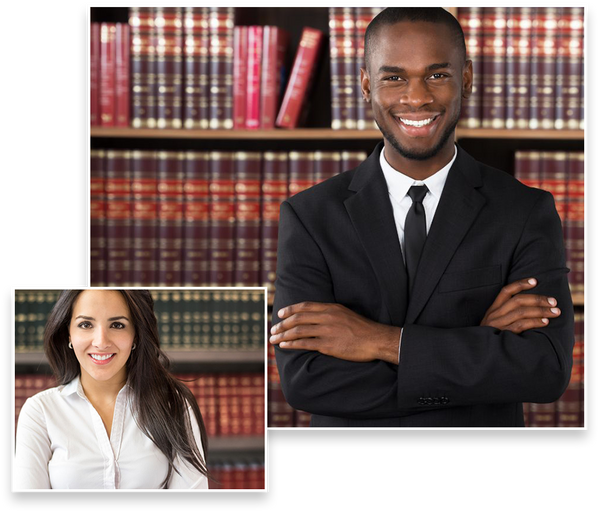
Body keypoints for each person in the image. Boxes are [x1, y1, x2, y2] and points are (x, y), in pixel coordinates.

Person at [269, 7, 574, 427]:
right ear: (365, 84)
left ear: (465, 79)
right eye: (394, 77)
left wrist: (378, 341)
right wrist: (479, 346)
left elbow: (543, 370)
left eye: (437, 75)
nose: (417, 98)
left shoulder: (524, 211)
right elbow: (308, 382)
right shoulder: (309, 216)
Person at [14, 289, 209, 489]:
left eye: (117, 325)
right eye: (85, 324)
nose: (101, 342)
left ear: (135, 335)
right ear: (68, 334)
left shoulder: (174, 405)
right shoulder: (40, 412)